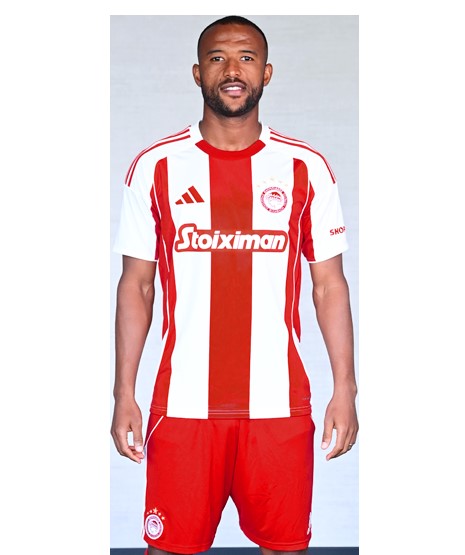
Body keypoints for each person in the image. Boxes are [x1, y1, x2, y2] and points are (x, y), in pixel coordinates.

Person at [111, 15, 358, 555]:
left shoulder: (306, 167)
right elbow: (137, 286)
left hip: (279, 407)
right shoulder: (155, 167)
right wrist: (123, 392)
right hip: (183, 407)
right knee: (168, 548)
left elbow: (329, 286)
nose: (232, 69)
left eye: (246, 58)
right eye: (218, 57)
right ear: (197, 72)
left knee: (285, 548)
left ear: (266, 73)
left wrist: (346, 388)